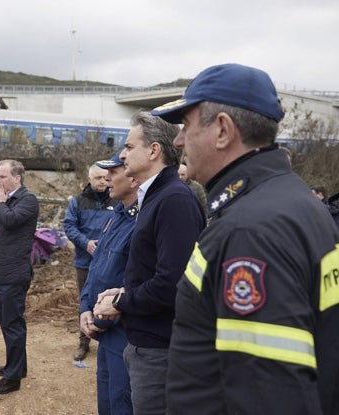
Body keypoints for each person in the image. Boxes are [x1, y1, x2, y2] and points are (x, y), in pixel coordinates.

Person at [150, 63, 339, 414]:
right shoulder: (295, 201)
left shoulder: (248, 230)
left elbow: (270, 394)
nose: (178, 140)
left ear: (222, 130)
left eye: (186, 126)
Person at [93, 112, 206, 415]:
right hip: (147, 341)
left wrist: (121, 300)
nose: (122, 154)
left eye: (129, 147)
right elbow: (158, 270)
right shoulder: (157, 197)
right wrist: (123, 290)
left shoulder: (173, 200)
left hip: (160, 349)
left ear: (154, 150)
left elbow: (174, 284)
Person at [79, 150, 139, 415]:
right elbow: (97, 269)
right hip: (103, 327)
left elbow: (130, 280)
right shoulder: (117, 215)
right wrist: (84, 308)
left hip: (120, 330)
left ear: (134, 179)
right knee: (106, 399)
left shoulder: (141, 221)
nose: (107, 179)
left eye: (113, 173)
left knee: (121, 401)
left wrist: (99, 320)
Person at [0, 159, 39, 394]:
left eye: (2, 177)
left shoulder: (28, 200)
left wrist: (1, 203)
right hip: (0, 273)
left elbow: (11, 220)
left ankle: (12, 379)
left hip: (13, 274)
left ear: (17, 178)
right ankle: (16, 366)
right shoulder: (5, 200)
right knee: (8, 323)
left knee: (13, 324)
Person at [63, 163, 117, 361]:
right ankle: (83, 342)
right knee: (85, 301)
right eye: (98, 178)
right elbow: (69, 225)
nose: (103, 181)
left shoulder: (117, 200)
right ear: (89, 180)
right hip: (85, 261)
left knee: (110, 300)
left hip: (110, 262)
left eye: (105, 178)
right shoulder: (78, 201)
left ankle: (109, 341)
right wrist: (86, 243)